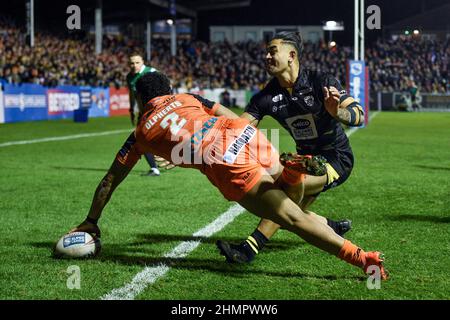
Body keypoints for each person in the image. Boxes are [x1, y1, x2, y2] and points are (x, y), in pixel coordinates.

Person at [70, 71, 388, 280]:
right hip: (241, 133)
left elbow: (110, 180)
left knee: (293, 219)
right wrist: (241, 136)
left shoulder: (140, 133)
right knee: (289, 197)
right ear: (168, 90)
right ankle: (291, 174)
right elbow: (224, 113)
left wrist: (92, 220)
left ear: (141, 100)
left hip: (224, 161)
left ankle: (363, 259)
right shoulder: (187, 98)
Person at [216, 31, 365, 263]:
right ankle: (331, 225)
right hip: (303, 159)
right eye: (265, 52)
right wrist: (195, 139)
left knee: (286, 194)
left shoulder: (321, 81)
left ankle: (249, 249)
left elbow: (358, 115)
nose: (266, 56)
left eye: (272, 51)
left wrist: (337, 112)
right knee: (291, 212)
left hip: (336, 157)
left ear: (291, 55)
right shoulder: (265, 96)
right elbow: (237, 127)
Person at [126, 52, 160, 176]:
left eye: (137, 62)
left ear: (143, 62)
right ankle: (154, 169)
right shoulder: (129, 77)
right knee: (141, 139)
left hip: (158, 111)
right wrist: (131, 109)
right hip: (143, 114)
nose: (134, 65)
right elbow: (132, 94)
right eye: (131, 63)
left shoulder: (151, 72)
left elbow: (167, 86)